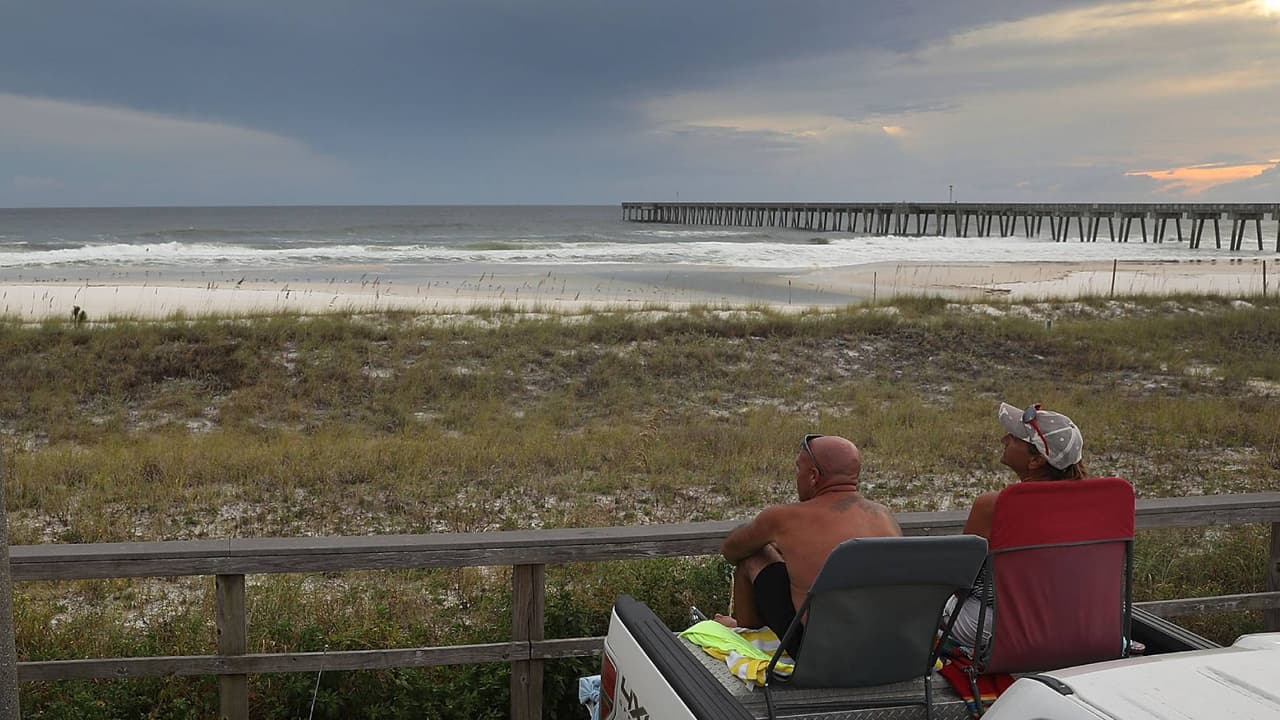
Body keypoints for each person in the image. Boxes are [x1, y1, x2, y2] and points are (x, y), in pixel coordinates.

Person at [715, 434, 902, 653]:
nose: (796, 475)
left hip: (821, 653)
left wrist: (774, 544)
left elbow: (731, 550)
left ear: (813, 476)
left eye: (797, 469)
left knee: (754, 555)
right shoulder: (883, 515)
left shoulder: (783, 518)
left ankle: (745, 630)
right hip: (888, 646)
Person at [947, 401, 1088, 647]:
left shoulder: (995, 506)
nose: (1004, 439)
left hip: (1000, 627)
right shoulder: (1088, 505)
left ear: (1036, 461)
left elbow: (961, 577)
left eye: (1014, 437)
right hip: (1075, 621)